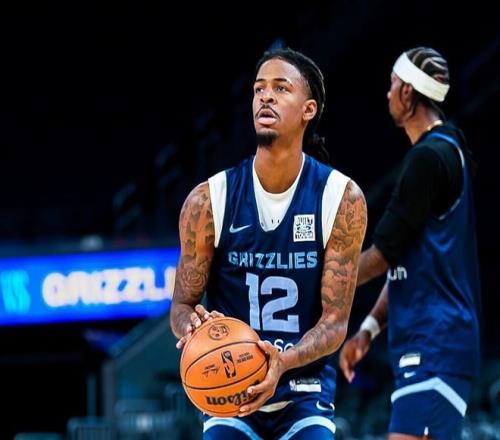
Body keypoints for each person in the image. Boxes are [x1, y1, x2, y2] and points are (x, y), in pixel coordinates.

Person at [170, 47, 367, 439]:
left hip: (304, 390)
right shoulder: (208, 200)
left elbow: (335, 322)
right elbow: (181, 305)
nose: (265, 97)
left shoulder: (341, 198)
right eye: (259, 89)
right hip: (230, 390)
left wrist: (283, 361)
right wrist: (190, 326)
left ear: (308, 110)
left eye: (280, 88)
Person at [339, 47, 481, 440]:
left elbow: (382, 256)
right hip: (430, 344)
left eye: (392, 84)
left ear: (408, 93)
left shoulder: (428, 159)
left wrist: (320, 279)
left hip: (435, 343)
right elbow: (406, 262)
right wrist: (369, 328)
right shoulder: (447, 150)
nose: (387, 93)